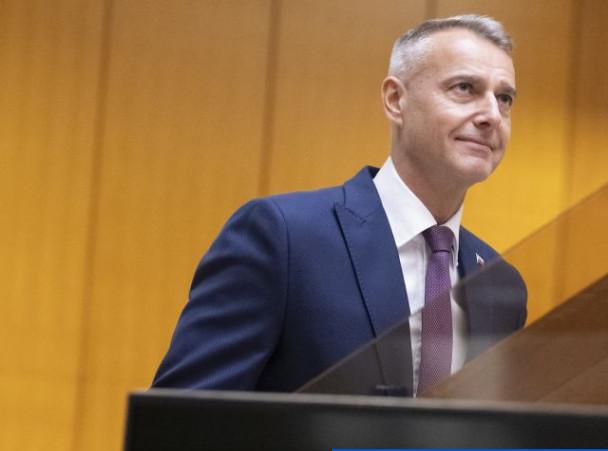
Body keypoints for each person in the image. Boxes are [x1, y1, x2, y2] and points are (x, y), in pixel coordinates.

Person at [153, 15, 527, 395]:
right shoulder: (284, 238)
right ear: (396, 100)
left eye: (505, 99)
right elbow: (180, 417)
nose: (491, 116)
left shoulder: (500, 284)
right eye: (465, 88)